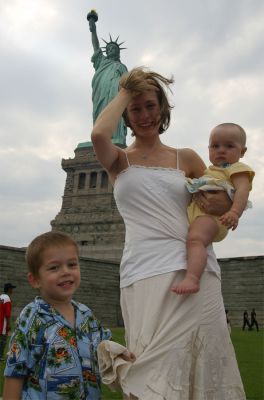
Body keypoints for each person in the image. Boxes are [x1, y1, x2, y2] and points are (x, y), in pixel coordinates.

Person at [91, 67, 246, 399]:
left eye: (150, 105)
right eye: (136, 108)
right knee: (147, 361)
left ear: (162, 109)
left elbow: (219, 202)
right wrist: (126, 90)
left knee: (204, 361)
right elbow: (99, 136)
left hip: (195, 269)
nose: (145, 115)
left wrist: (222, 204)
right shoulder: (118, 160)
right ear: (126, 114)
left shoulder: (186, 157)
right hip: (143, 270)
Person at [3, 231, 133, 400]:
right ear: (35, 280)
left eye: (72, 265)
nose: (65, 271)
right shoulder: (33, 316)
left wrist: (120, 354)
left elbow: (104, 347)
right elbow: (15, 370)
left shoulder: (86, 314)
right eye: (54, 267)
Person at [172, 122, 254, 294]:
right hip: (202, 215)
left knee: (195, 240)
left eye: (229, 146)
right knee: (194, 239)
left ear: (242, 151)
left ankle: (192, 278)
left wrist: (234, 212)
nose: (221, 150)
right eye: (215, 146)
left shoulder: (237, 169)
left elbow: (243, 190)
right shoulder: (211, 171)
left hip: (214, 218)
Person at [88, 9, 128, 145]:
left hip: (116, 94)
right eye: (109, 49)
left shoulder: (122, 67)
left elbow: (127, 87)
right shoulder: (102, 62)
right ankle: (101, 137)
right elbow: (96, 46)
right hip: (101, 93)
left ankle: (116, 136)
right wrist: (93, 30)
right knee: (101, 113)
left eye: (114, 49)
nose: (111, 50)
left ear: (118, 52)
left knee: (116, 112)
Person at [0, 283, 16, 361]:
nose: (12, 290)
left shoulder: (1, 297)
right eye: (12, 288)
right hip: (3, 323)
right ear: (9, 289)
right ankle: (0, 356)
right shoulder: (7, 299)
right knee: (3, 340)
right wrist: (9, 324)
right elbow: (7, 314)